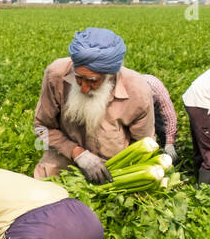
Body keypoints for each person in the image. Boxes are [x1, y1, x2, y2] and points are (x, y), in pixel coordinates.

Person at [31, 27, 155, 183]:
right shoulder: (56, 75)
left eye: (93, 81)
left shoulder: (138, 91)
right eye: (78, 78)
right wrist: (77, 153)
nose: (83, 88)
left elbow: (143, 144)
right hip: (62, 161)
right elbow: (42, 127)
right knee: (44, 199)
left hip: (113, 170)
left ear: (110, 76)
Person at [139, 72, 179, 161]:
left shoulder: (157, 90)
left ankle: (170, 159)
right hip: (134, 108)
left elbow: (170, 117)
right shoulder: (130, 90)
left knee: (162, 129)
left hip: (156, 107)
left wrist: (169, 143)